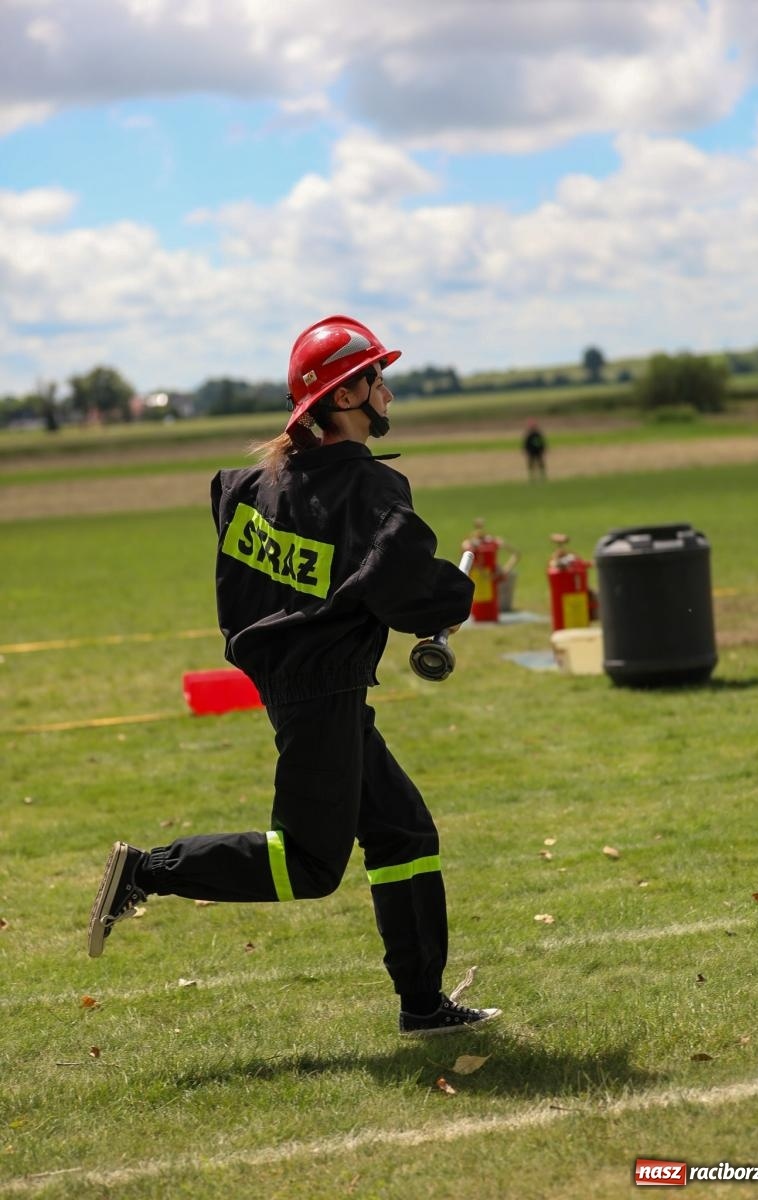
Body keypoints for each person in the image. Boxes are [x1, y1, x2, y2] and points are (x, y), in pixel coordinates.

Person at [87, 315, 501, 1038]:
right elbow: (403, 588)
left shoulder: (257, 485)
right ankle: (147, 870)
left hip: (297, 685)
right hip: (322, 690)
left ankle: (423, 1005)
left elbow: (337, 576)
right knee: (309, 864)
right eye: (376, 378)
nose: (388, 391)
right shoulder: (367, 489)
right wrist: (455, 601)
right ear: (347, 397)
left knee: (402, 832)